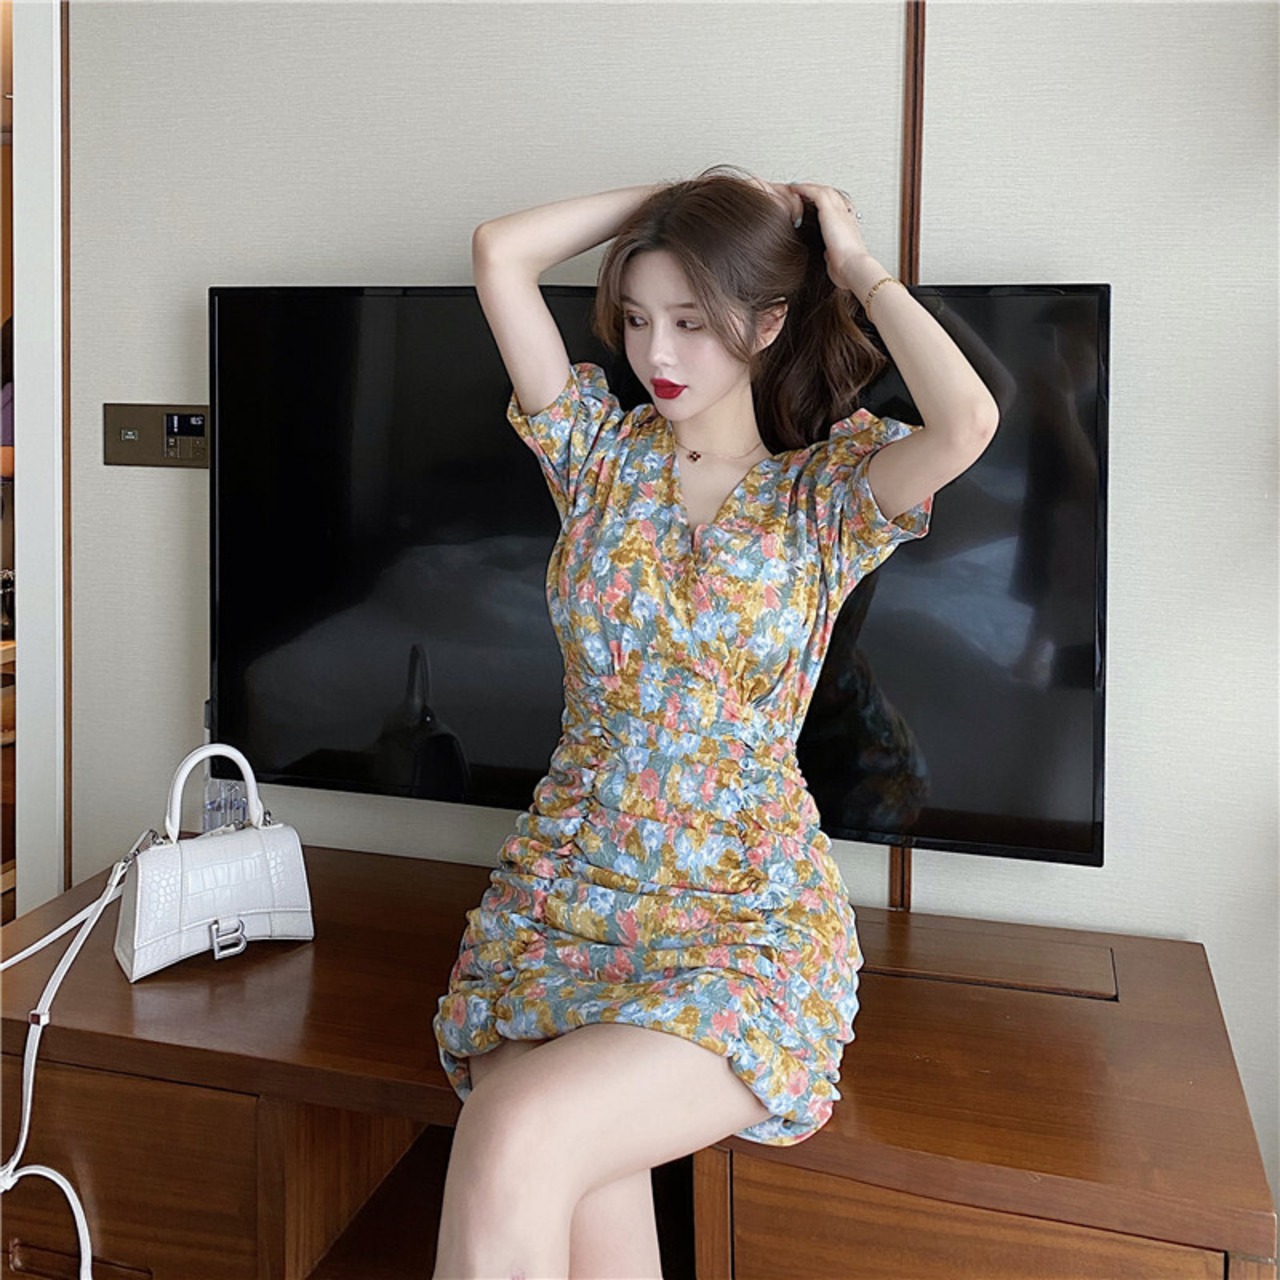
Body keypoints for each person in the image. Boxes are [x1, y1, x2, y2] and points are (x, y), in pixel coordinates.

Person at [430, 167, 998, 1279]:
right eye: (639, 319)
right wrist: (673, 196)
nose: (659, 352)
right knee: (566, 1171)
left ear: (767, 321)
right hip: (562, 900)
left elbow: (968, 419)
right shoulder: (595, 457)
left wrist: (848, 258)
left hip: (739, 919)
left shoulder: (824, 495)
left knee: (515, 1131)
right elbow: (499, 251)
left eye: (692, 321)